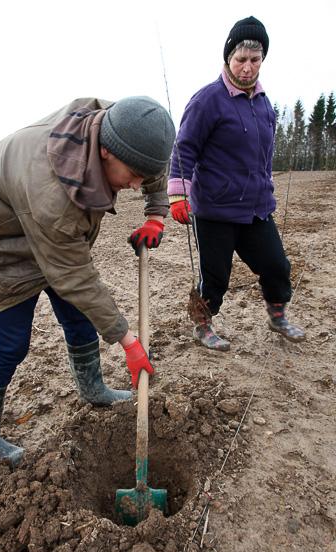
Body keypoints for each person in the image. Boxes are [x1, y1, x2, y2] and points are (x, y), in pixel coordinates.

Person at [0, 96, 175, 464]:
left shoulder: (126, 125)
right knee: (7, 345)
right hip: (4, 245)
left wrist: (156, 214)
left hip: (56, 235)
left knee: (80, 319)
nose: (136, 185)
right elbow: (74, 276)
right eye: (132, 175)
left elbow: (151, 163)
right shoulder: (52, 192)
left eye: (143, 175)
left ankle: (93, 389)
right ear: (107, 151)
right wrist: (128, 341)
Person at [167, 16, 305, 351]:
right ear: (228, 57)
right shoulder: (208, 100)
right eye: (241, 59)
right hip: (215, 208)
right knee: (215, 276)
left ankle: (277, 317)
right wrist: (178, 193)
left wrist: (266, 187)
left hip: (256, 208)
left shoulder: (264, 103)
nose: (247, 67)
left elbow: (264, 155)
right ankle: (203, 325)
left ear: (262, 60)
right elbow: (185, 147)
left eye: (255, 59)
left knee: (276, 266)